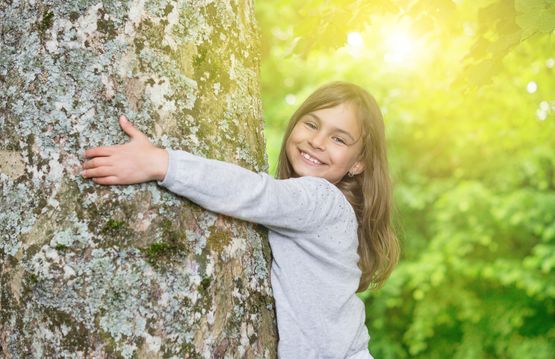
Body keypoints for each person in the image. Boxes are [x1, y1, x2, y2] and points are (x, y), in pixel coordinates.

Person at [81, 81, 400, 358]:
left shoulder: (323, 200)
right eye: (312, 124)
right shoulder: (331, 208)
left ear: (358, 163)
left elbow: (254, 192)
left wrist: (161, 162)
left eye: (339, 139)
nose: (317, 141)